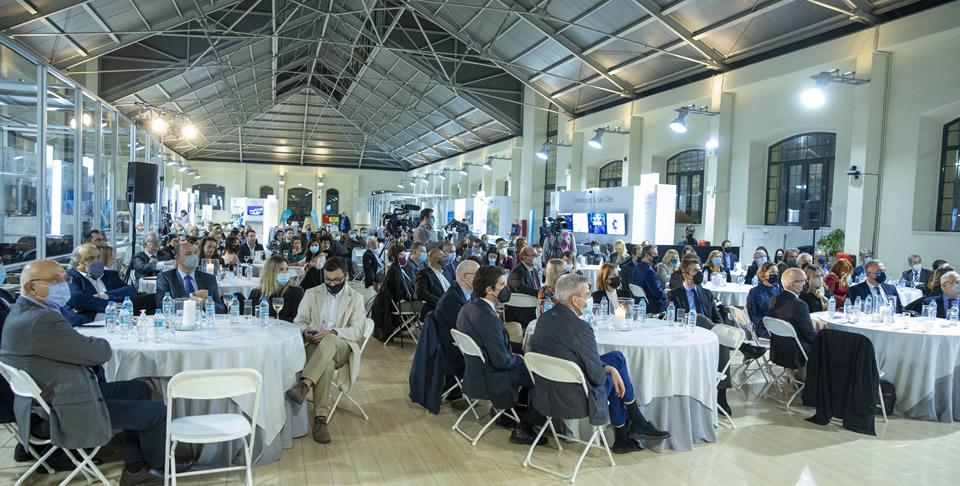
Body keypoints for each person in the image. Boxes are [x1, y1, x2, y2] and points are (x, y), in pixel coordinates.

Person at [2, 260, 187, 485]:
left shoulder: (21, 311)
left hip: (53, 396)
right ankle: (155, 468)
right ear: (31, 287)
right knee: (158, 414)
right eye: (55, 280)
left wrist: (82, 342)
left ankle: (136, 464)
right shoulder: (41, 320)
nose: (63, 285)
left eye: (64, 279)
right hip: (66, 407)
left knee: (139, 389)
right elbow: (99, 353)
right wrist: (90, 343)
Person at [529, 273, 670, 454]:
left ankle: (626, 434)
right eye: (587, 294)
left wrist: (609, 368)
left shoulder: (544, 318)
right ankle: (633, 424)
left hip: (546, 390)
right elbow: (596, 377)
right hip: (574, 397)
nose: (590, 298)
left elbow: (564, 356)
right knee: (616, 370)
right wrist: (610, 370)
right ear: (575, 300)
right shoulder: (580, 328)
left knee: (616, 360)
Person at [456, 265, 547, 445]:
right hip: (494, 375)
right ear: (489, 290)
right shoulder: (488, 318)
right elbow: (501, 361)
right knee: (547, 379)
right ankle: (525, 426)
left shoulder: (468, 308)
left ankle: (507, 412)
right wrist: (520, 359)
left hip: (475, 372)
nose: (507, 289)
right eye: (502, 285)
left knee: (524, 355)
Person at [286, 257, 366, 444]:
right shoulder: (312, 293)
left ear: (346, 276)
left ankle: (304, 384)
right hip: (314, 345)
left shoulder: (356, 298)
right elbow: (299, 320)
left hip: (341, 347)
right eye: (328, 280)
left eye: (337, 280)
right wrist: (305, 331)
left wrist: (333, 332)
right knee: (326, 366)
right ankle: (320, 420)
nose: (332, 284)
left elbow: (357, 331)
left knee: (330, 339)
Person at [432, 260, 479, 387]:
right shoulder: (451, 299)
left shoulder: (468, 294)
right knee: (500, 359)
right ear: (465, 277)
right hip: (455, 352)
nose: (481, 279)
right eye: (477, 275)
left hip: (463, 345)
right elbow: (465, 329)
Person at [65, 243, 138, 324]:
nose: (97, 261)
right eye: (91, 258)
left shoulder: (109, 275)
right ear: (77, 264)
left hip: (114, 320)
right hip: (87, 323)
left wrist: (102, 295)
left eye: (99, 257)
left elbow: (130, 291)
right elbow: (77, 299)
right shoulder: (69, 276)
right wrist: (112, 305)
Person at [768, 268, 818, 372]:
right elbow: (809, 334)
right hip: (797, 352)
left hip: (777, 350)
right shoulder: (799, 305)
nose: (806, 283)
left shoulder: (774, 299)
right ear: (792, 284)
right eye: (803, 280)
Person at [154, 243, 226, 313]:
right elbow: (162, 306)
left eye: (195, 253)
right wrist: (192, 296)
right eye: (188, 254)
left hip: (202, 318)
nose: (193, 256)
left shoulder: (209, 278)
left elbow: (221, 308)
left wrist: (207, 304)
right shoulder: (165, 278)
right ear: (177, 258)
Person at [248, 256, 304, 323]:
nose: (285, 272)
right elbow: (250, 317)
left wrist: (273, 319)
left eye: (287, 269)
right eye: (281, 269)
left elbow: (298, 319)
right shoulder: (256, 293)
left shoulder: (296, 292)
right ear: (270, 272)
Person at [506, 246, 541, 326]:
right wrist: (539, 293)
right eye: (534, 255)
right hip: (521, 311)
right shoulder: (517, 271)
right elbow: (519, 287)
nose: (537, 257)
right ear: (524, 258)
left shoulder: (534, 270)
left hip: (533, 306)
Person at [746, 262, 781, 338]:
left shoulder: (779, 290)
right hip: (763, 327)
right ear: (763, 273)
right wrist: (768, 324)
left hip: (778, 324)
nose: (775, 274)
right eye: (772, 272)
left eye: (777, 272)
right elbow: (753, 315)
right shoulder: (755, 292)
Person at [414, 249, 450, 319]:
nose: (445, 257)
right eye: (441, 256)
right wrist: (440, 302)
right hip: (436, 309)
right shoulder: (424, 273)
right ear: (433, 259)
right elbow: (421, 292)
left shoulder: (445, 272)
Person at [630, 245, 666, 313]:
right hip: (652, 305)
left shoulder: (636, 268)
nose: (657, 256)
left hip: (639, 302)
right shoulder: (649, 271)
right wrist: (667, 293)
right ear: (647, 255)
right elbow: (657, 292)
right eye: (654, 254)